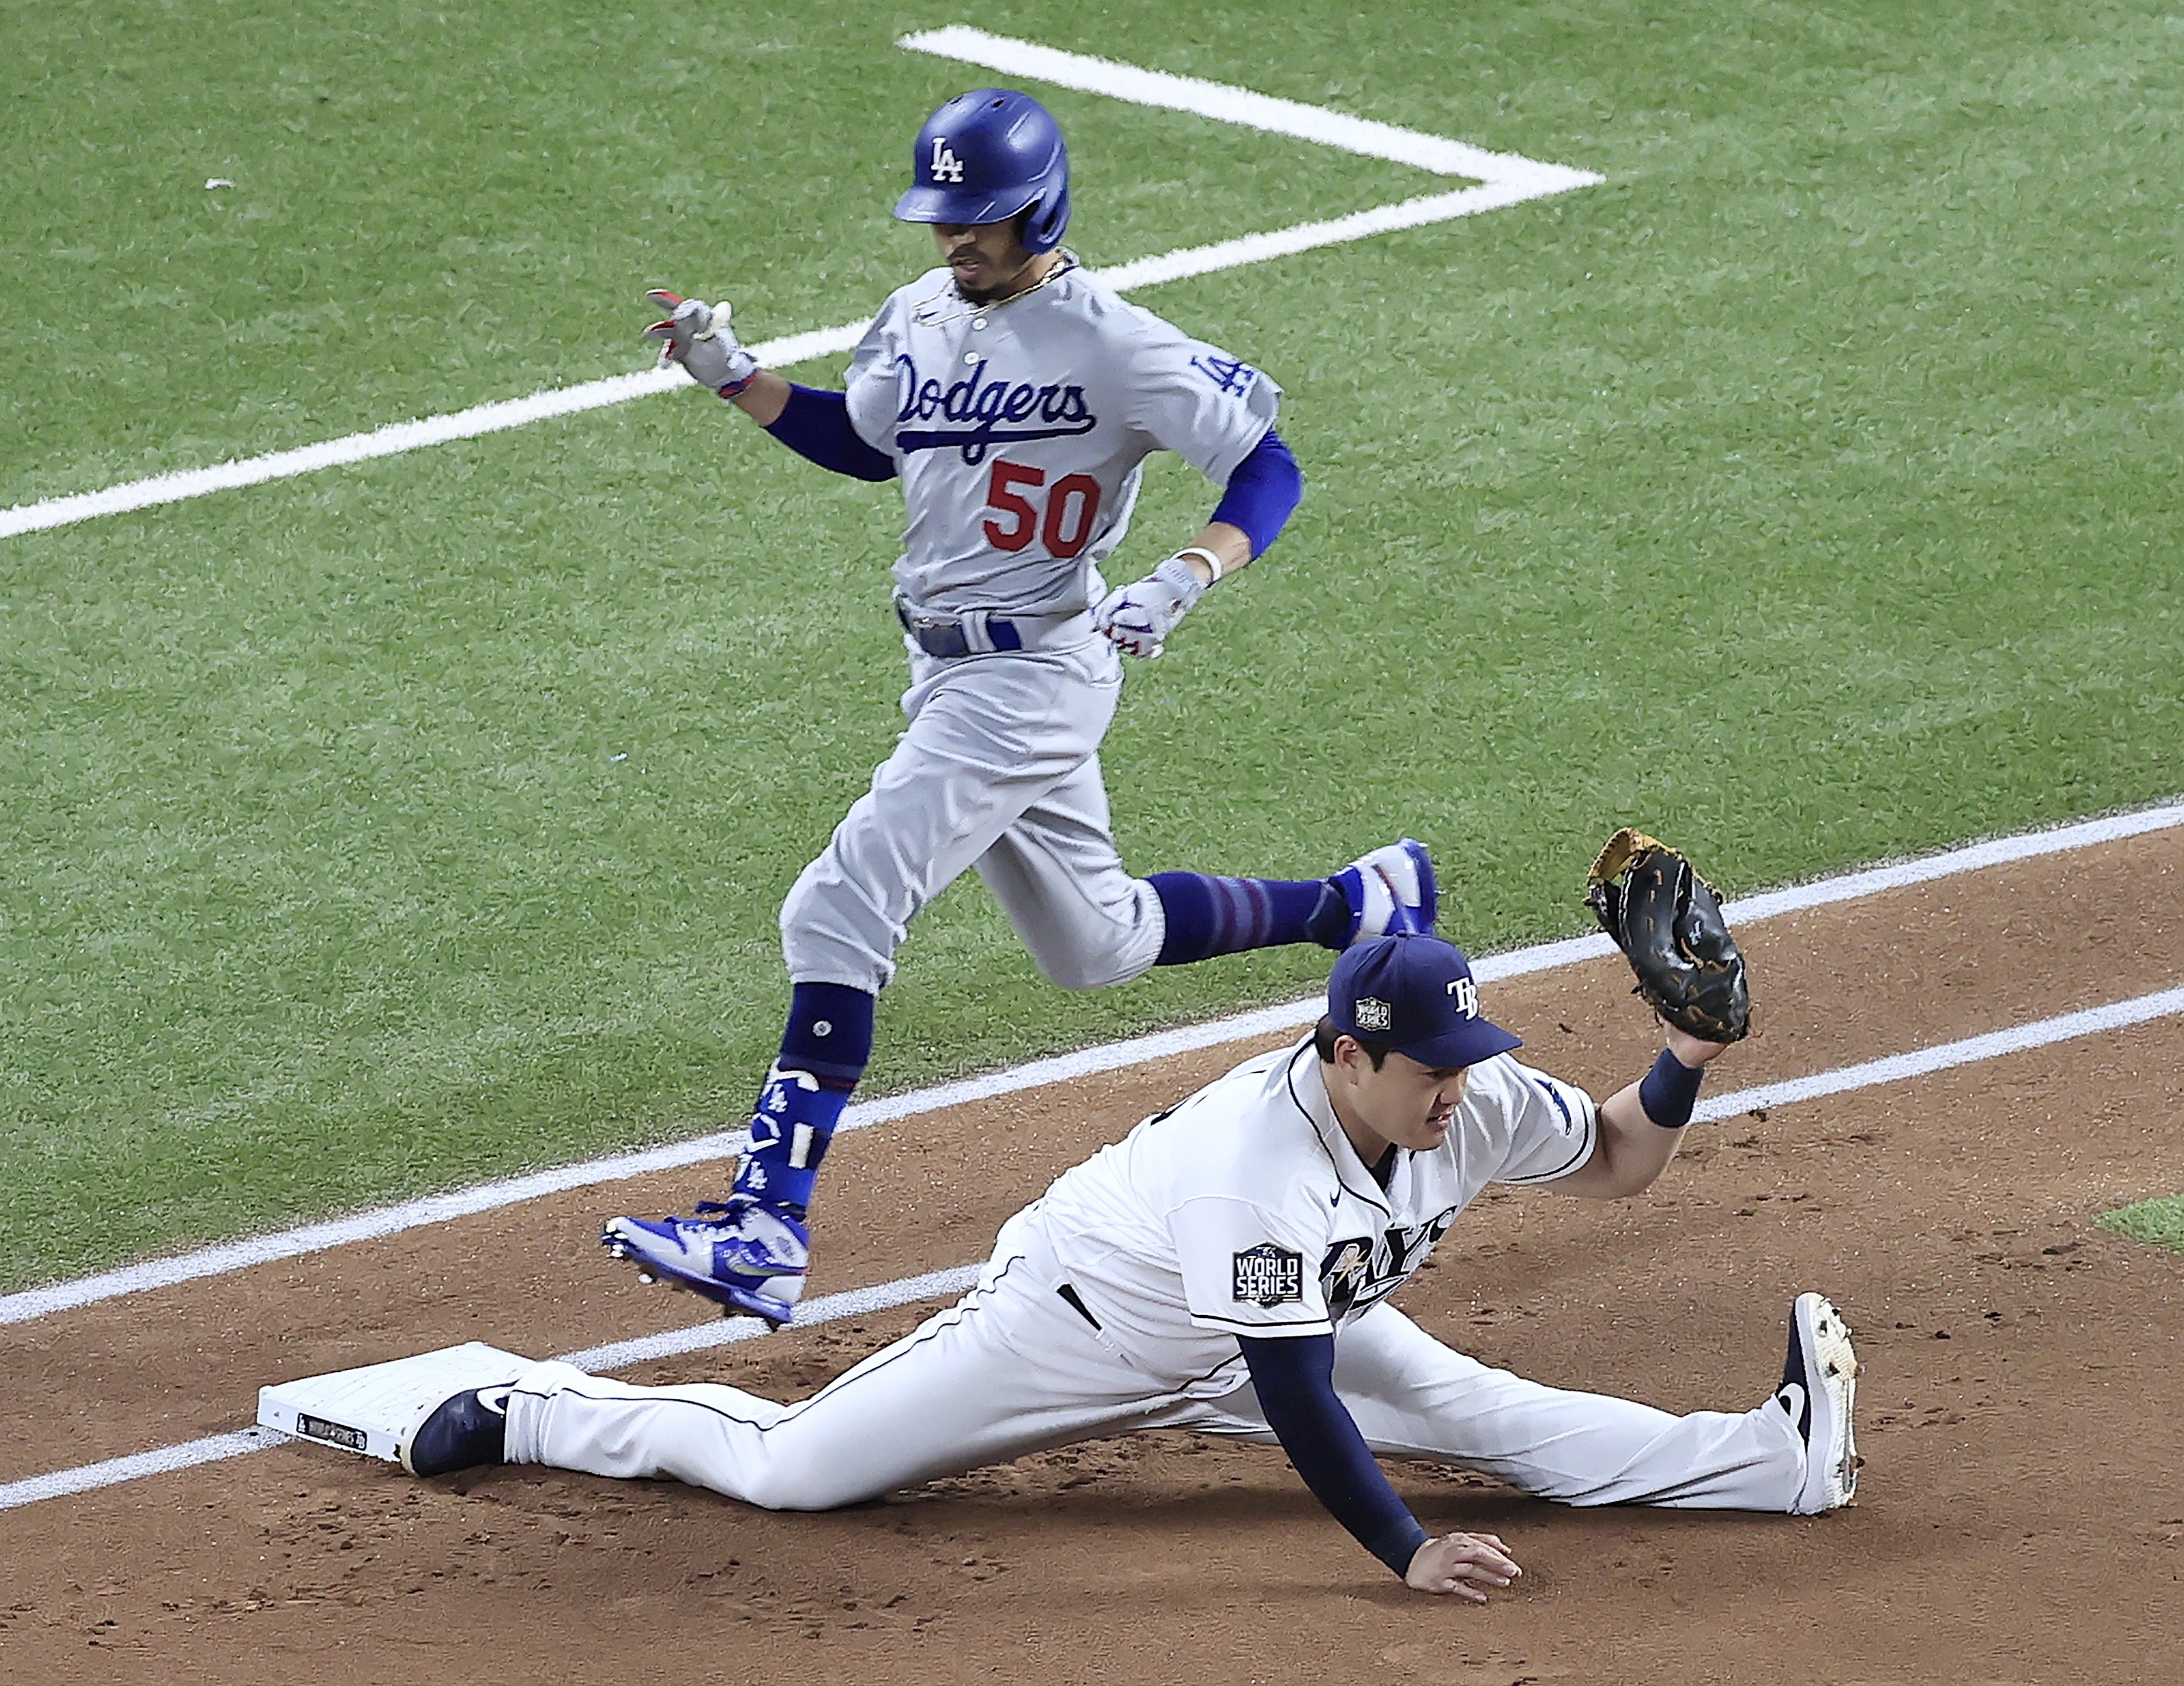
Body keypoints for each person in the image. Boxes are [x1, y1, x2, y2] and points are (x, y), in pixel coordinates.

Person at [603, 87, 1439, 1323]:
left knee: (837, 906)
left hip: (1034, 674)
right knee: (1093, 944)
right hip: (946, 670)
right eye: (943, 218)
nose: (956, 240)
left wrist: (1187, 571)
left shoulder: (1117, 344)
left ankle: (764, 1224)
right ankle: (1353, 904)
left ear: (1039, 205)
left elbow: (1269, 463)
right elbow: (870, 444)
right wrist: (736, 379)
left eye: (980, 220)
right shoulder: (915, 318)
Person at [407, 932, 1861, 1598]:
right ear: (1345, 1054)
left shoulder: (1461, 1103)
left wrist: (1683, 1057)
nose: (1461, 1091)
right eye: (1433, 1066)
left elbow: (1612, 1159)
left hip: (1279, 1320)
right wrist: (1405, 1551)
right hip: (1077, 1327)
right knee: (797, 1471)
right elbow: (1296, 1398)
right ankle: (539, 1411)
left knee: (1481, 1411)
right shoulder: (1258, 1169)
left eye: (1470, 1062)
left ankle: (1776, 1461)